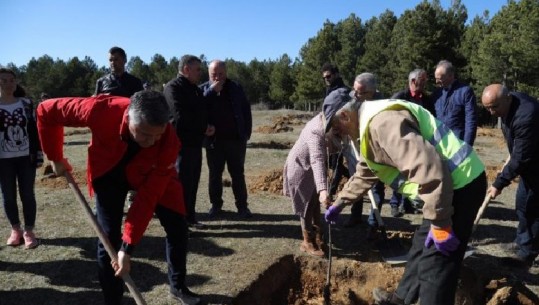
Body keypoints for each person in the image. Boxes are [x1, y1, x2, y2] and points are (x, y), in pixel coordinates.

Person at [37, 91, 201, 305]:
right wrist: (55, 156)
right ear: (129, 116)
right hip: (108, 173)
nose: (150, 141)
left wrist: (128, 248)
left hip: (150, 172)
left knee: (178, 226)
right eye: (144, 134)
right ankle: (112, 301)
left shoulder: (168, 142)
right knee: (108, 239)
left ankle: (178, 286)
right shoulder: (101, 110)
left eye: (156, 135)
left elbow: (147, 198)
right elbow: (46, 111)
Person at [323, 96, 486, 305]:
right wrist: (339, 203)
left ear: (345, 115)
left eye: (338, 129)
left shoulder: (383, 124)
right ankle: (400, 300)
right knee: (420, 249)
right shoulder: (369, 129)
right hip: (446, 190)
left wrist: (441, 223)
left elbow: (431, 170)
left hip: (460, 186)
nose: (340, 135)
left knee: (436, 264)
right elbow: (367, 171)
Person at [482, 84, 539, 267]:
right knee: (522, 205)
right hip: (529, 164)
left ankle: (527, 253)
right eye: (487, 108)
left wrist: (500, 183)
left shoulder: (526, 115)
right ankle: (523, 242)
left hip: (534, 166)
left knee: (532, 208)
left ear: (507, 98)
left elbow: (521, 157)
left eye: (494, 107)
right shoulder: (507, 103)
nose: (491, 112)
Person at [283, 91, 339, 257]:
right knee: (306, 206)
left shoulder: (325, 123)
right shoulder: (316, 130)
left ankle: (319, 236)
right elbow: (317, 159)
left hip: (312, 170)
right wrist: (323, 189)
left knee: (315, 204)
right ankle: (307, 241)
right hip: (300, 169)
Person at [164, 55, 214, 229]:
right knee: (182, 185)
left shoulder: (195, 89)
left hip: (195, 144)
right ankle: (180, 223)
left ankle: (190, 218)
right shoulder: (173, 88)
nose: (200, 73)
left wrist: (207, 126)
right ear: (186, 69)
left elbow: (201, 112)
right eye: (198, 69)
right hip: (180, 145)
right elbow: (179, 117)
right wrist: (202, 127)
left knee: (192, 183)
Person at [200, 60, 253, 219]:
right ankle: (216, 206)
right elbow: (196, 107)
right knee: (214, 175)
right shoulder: (202, 89)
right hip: (214, 142)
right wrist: (210, 91)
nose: (217, 77)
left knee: (238, 174)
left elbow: (245, 110)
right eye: (213, 74)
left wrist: (246, 133)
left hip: (235, 140)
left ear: (226, 73)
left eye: (220, 74)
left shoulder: (235, 87)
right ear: (209, 74)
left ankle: (242, 207)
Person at [0, 68, 42, 249]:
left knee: (27, 195)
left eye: (11, 80)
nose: (8, 84)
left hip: (26, 158)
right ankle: (15, 230)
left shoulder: (26, 104)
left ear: (16, 82)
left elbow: (34, 131)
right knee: (8, 197)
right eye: (3, 81)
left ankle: (29, 232)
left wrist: (38, 154)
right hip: (3, 160)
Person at [342, 73, 385, 236]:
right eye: (355, 91)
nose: (356, 95)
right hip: (356, 147)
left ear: (372, 91)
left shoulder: (382, 104)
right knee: (356, 180)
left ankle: (374, 224)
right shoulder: (354, 97)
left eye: (360, 92)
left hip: (376, 150)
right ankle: (355, 215)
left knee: (376, 187)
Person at [389, 68, 433, 216]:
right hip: (401, 141)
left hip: (419, 141)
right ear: (413, 81)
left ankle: (407, 205)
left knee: (414, 174)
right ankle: (395, 204)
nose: (425, 83)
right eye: (423, 80)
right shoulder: (400, 97)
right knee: (400, 173)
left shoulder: (426, 99)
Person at [321, 63, 351, 212]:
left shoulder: (343, 92)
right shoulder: (329, 90)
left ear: (336, 74)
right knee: (334, 164)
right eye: (325, 77)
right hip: (332, 132)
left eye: (329, 76)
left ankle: (332, 192)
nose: (326, 79)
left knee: (340, 164)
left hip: (344, 132)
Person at [432, 60, 478, 146]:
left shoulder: (465, 92)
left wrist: (467, 145)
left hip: (457, 142)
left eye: (440, 79)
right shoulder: (436, 93)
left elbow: (470, 120)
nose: (436, 82)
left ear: (450, 76)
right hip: (439, 143)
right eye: (436, 78)